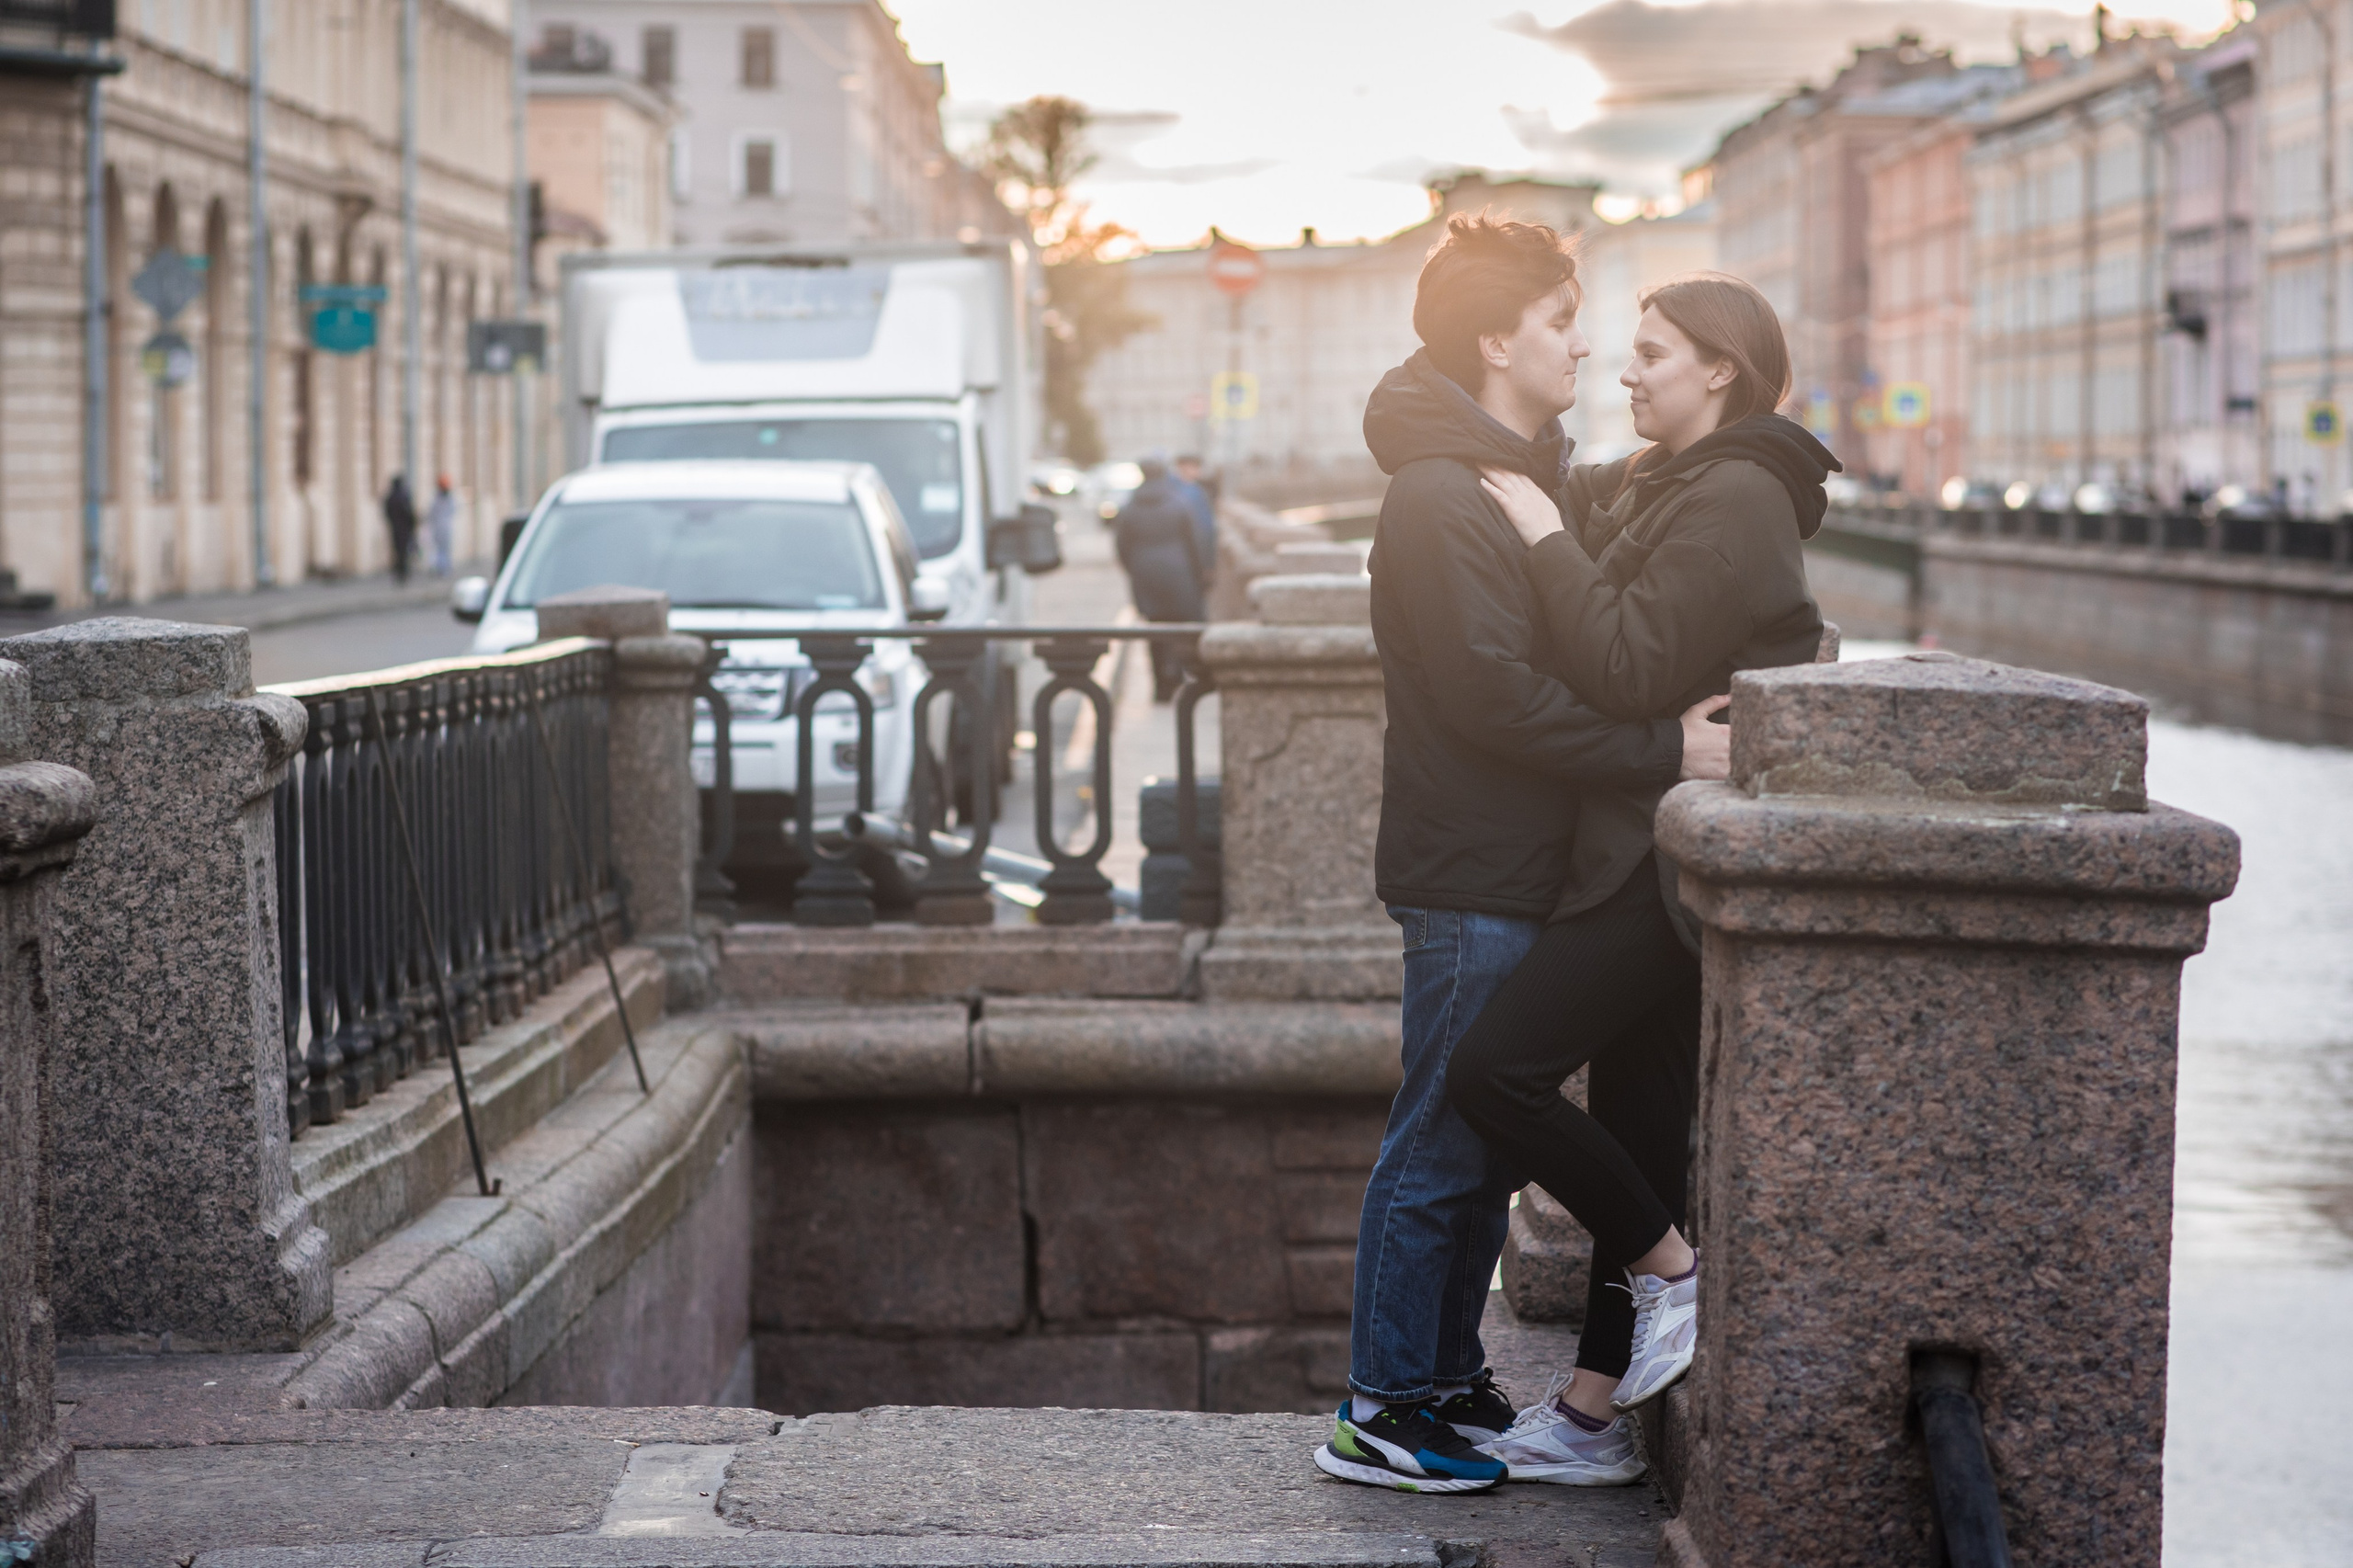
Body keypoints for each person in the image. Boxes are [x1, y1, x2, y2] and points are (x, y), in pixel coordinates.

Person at [1314, 214, 1732, 1496]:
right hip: (1468, 865)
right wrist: (1663, 745)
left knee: (1473, 1146)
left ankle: (1436, 1377)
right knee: (1441, 1144)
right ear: (1498, 340)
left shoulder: (1507, 477)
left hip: (1504, 861)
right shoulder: (1443, 497)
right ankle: (1382, 1405)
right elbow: (1497, 698)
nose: (1583, 344)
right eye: (1562, 321)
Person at [1444, 272, 1832, 1484]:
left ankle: (1672, 1269)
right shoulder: (1672, 481)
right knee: (1642, 1128)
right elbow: (1564, 482)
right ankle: (1595, 1418)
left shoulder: (1736, 497)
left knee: (1495, 1070)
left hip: (1660, 860)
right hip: (1650, 836)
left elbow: (1618, 663)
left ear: (1719, 370)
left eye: (1653, 353)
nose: (1626, 368)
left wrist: (1547, 538)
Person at [1111, 457, 1212, 701]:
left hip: (1145, 573)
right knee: (1179, 627)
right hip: (1179, 572)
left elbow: (1121, 546)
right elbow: (1195, 542)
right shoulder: (1178, 502)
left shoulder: (1130, 506)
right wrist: (1202, 573)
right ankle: (1176, 678)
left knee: (1155, 629)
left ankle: (1159, 686)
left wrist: (1135, 569)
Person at [1172, 453, 1217, 581]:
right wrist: (1208, 563)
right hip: (1190, 557)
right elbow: (1204, 529)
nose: (1199, 471)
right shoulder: (1192, 492)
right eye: (1195, 467)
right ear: (1183, 467)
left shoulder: (1172, 489)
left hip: (1180, 556)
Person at [381, 474, 417, 585]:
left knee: (397, 551)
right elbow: (408, 513)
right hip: (403, 528)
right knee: (403, 552)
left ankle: (398, 572)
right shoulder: (402, 496)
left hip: (395, 528)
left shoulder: (390, 497)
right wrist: (412, 524)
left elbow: (387, 512)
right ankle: (402, 573)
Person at [426, 474, 458, 578]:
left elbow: (432, 512)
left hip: (443, 526)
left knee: (443, 549)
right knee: (441, 549)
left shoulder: (447, 498)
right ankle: (442, 568)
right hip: (441, 526)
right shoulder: (439, 498)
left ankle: (443, 568)